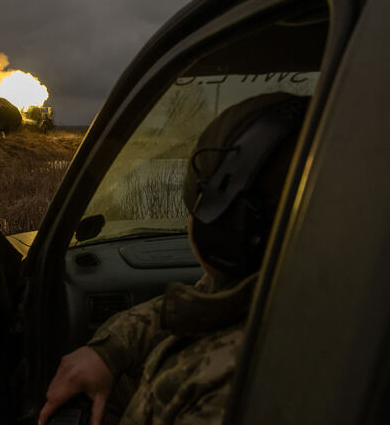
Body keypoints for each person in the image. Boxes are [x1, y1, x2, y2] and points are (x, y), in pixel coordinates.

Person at [39, 92, 310, 425]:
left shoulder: (234, 391)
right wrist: (111, 349)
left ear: (223, 225)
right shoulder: (283, 283)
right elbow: (203, 306)